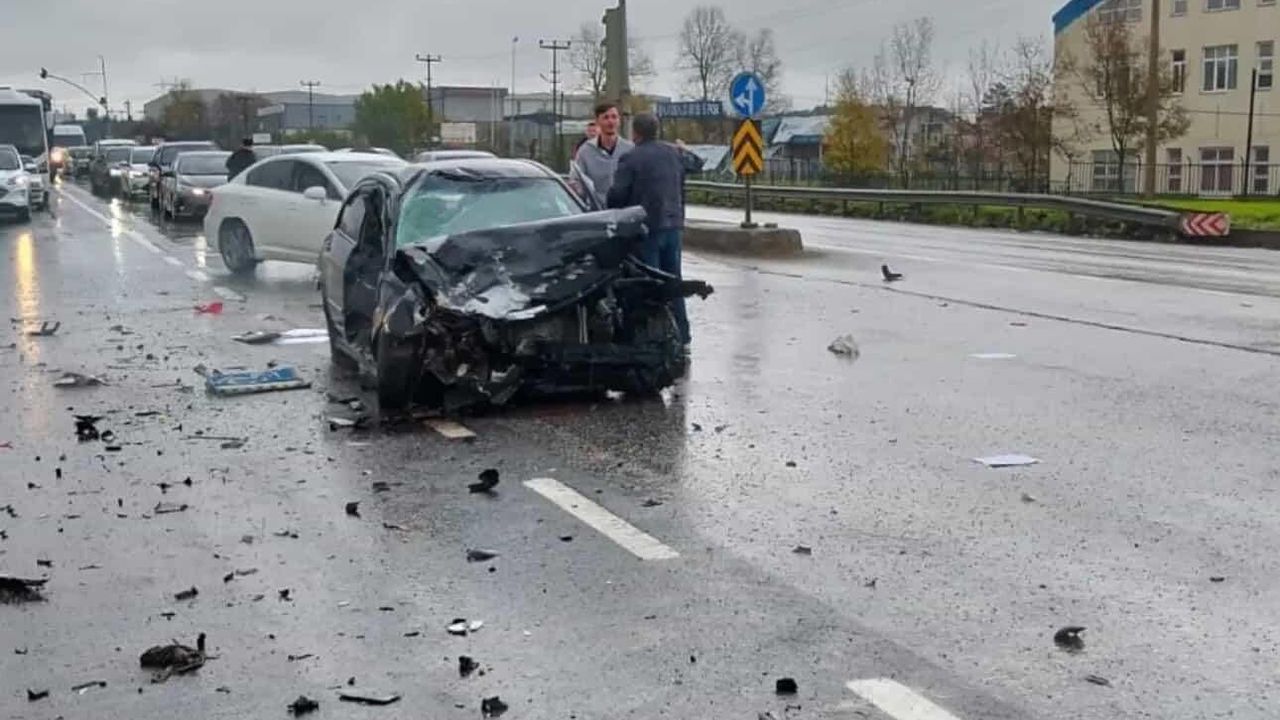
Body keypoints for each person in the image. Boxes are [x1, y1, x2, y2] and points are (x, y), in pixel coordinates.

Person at [606, 113, 703, 346]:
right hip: (673, 226)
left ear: (635, 133)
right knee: (673, 281)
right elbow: (697, 164)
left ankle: (653, 337)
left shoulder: (631, 158)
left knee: (649, 284)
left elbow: (617, 196)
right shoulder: (673, 154)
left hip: (646, 229)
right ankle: (681, 333)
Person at [572, 103, 633, 208]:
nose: (610, 121)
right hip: (597, 212)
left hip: (624, 211)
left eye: (614, 117)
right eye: (606, 117)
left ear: (619, 121)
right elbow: (576, 180)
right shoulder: (585, 151)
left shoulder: (630, 150)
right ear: (597, 121)